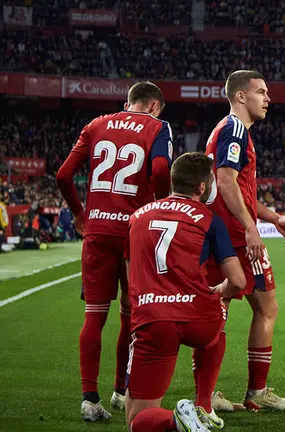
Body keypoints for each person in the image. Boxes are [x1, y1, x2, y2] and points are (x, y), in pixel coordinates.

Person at [56, 81, 173, 421]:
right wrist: (159, 207)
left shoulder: (96, 124)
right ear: (154, 106)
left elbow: (63, 175)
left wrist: (79, 212)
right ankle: (122, 390)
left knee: (94, 315)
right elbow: (161, 170)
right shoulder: (158, 127)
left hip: (97, 230)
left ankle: (89, 400)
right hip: (134, 232)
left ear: (128, 103)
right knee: (130, 316)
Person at [124, 152, 246, 432]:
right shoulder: (209, 218)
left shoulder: (137, 217)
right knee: (219, 308)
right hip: (200, 320)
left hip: (154, 319)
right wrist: (217, 292)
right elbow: (238, 281)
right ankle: (203, 405)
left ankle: (175, 420)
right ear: (202, 187)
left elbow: (132, 281)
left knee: (136, 420)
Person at [203, 70, 285, 412]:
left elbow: (239, 190)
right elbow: (225, 181)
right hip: (235, 238)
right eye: (261, 91)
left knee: (219, 308)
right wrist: (250, 228)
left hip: (218, 233)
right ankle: (254, 391)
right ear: (241, 96)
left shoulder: (226, 129)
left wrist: (272, 218)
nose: (268, 98)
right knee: (265, 307)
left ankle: (208, 395)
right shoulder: (235, 129)